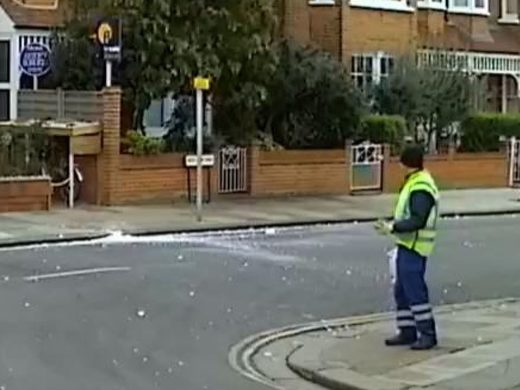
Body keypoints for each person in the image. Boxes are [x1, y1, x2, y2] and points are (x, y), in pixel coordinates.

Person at [374, 145, 440, 351]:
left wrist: (393, 226)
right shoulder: (414, 182)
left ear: (405, 163)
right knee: (401, 290)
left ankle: (427, 334)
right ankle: (407, 331)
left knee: (415, 291)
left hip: (415, 246)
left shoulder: (421, 186)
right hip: (406, 244)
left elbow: (418, 219)